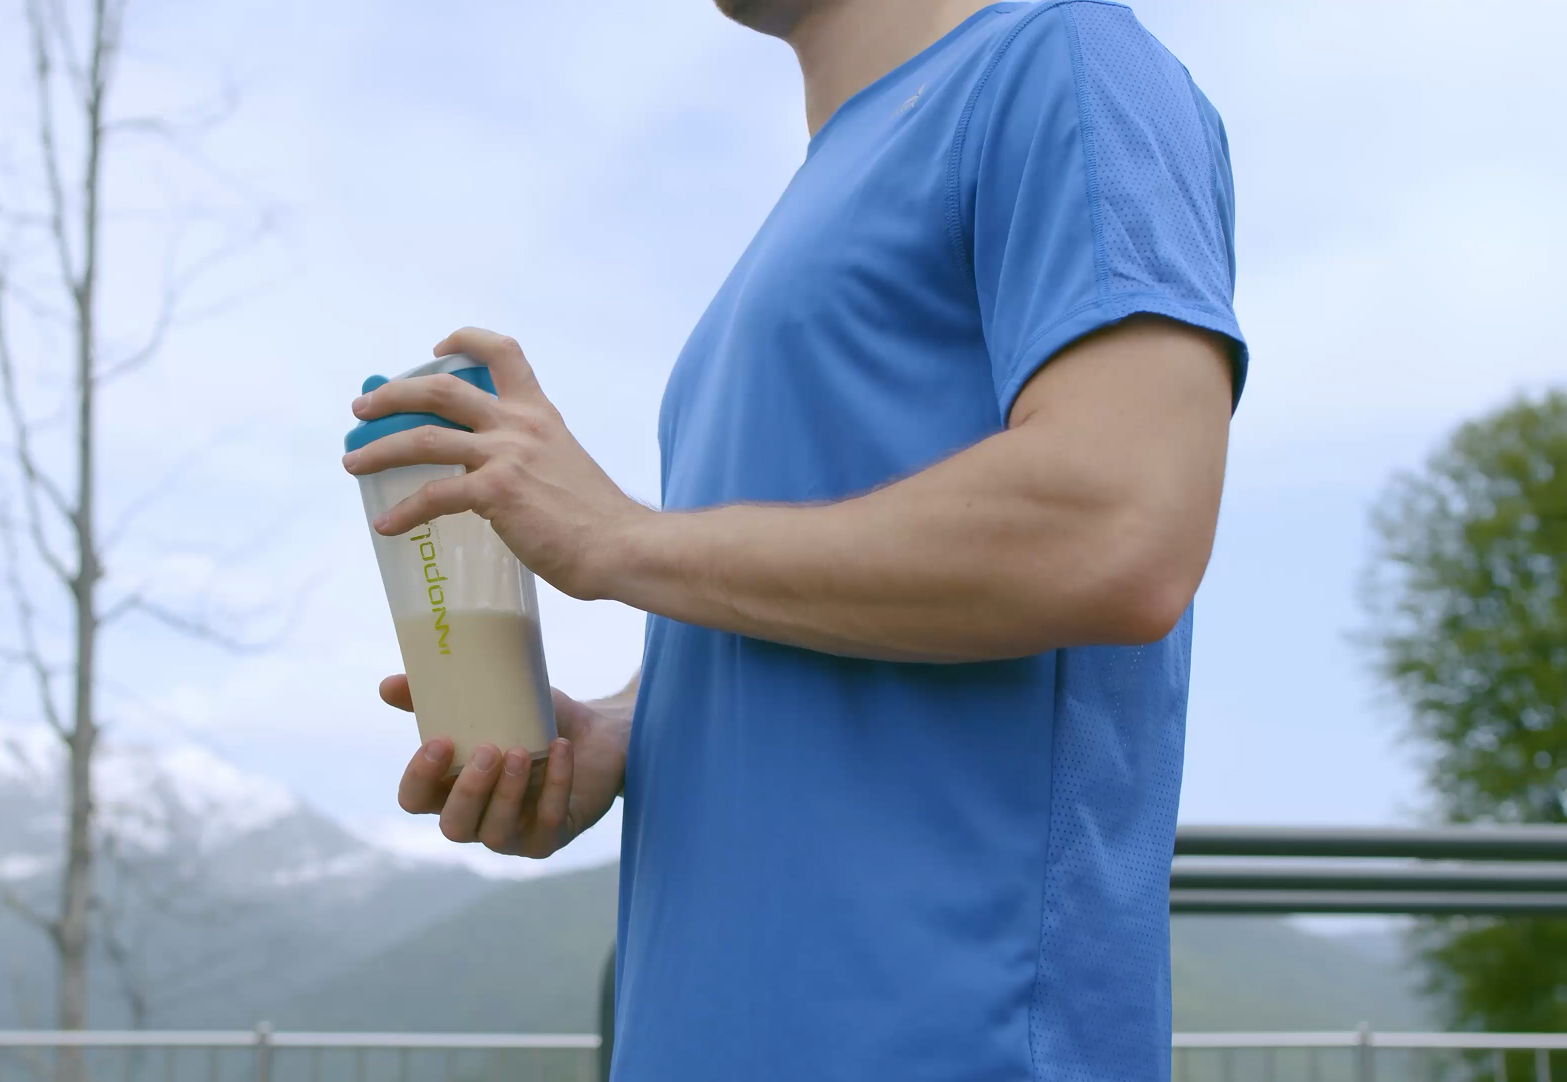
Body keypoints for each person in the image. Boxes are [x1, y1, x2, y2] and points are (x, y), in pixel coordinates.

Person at [340, 0, 1244, 1077]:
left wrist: (619, 537)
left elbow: (1117, 525)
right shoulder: (802, 214)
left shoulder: (1065, 60)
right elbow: (805, 571)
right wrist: (637, 721)